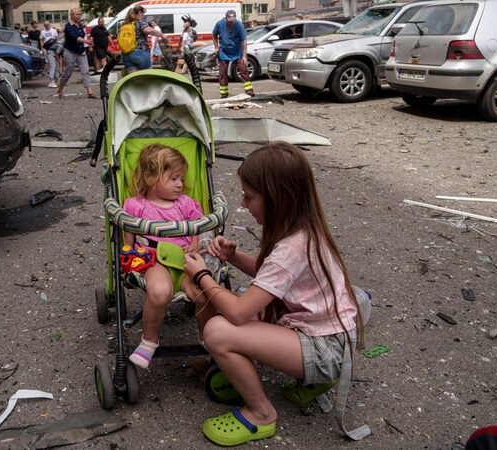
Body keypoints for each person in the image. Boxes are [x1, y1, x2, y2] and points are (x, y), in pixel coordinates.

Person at [182, 142, 365, 446]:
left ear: (277, 197)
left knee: (218, 329)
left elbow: (238, 312)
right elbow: (273, 276)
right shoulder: (303, 229)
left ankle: (261, 413)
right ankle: (307, 378)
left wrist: (201, 275)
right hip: (333, 335)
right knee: (246, 306)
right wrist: (234, 257)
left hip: (325, 351)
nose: (242, 204)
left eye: (249, 196)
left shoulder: (291, 248)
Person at [124, 144, 208, 370]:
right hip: (154, 262)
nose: (180, 184)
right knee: (160, 292)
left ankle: (208, 335)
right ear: (151, 177)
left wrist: (194, 243)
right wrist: (128, 259)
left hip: (185, 261)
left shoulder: (187, 204)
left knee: (205, 293)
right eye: (173, 178)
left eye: (181, 178)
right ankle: (149, 339)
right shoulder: (135, 206)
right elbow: (128, 237)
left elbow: (197, 229)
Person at [212, 10, 254, 98]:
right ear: (226, 18)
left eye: (233, 21)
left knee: (243, 69)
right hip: (224, 51)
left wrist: (244, 56)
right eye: (230, 21)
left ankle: (249, 91)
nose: (231, 23)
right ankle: (224, 93)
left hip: (237, 51)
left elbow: (244, 40)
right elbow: (214, 34)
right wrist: (216, 47)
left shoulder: (238, 24)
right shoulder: (220, 24)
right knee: (222, 72)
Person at [58, 8, 95, 99]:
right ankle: (60, 87)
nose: (78, 16)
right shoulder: (68, 26)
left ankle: (89, 91)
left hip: (81, 51)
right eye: (76, 14)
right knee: (68, 72)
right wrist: (86, 41)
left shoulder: (80, 25)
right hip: (70, 51)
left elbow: (83, 35)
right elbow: (75, 37)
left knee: (85, 71)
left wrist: (89, 44)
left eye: (79, 14)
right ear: (72, 15)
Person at [121, 5, 167, 73]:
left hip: (126, 55)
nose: (143, 15)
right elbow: (148, 30)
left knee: (134, 79)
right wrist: (162, 35)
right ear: (139, 12)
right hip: (139, 53)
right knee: (147, 77)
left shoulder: (124, 24)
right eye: (143, 13)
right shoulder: (140, 22)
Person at [40, 21, 60, 88]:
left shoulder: (54, 30)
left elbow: (57, 39)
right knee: (52, 65)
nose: (47, 25)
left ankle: (56, 80)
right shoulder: (42, 32)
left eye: (48, 24)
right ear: (44, 25)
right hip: (48, 50)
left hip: (55, 49)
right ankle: (51, 81)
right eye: (45, 25)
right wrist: (42, 48)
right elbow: (41, 40)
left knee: (57, 65)